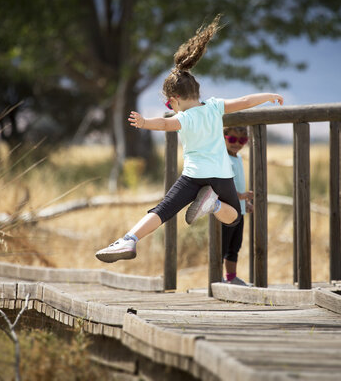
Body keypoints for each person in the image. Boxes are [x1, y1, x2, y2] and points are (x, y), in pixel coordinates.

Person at [95, 15, 283, 263]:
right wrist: (268, 95)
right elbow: (246, 101)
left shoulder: (185, 117)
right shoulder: (215, 106)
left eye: (168, 103)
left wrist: (144, 123)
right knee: (234, 217)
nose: (169, 106)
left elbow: (164, 123)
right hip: (220, 174)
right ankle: (213, 205)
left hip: (193, 176)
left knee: (163, 210)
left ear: (174, 99)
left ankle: (129, 240)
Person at [222, 126, 253, 285]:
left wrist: (244, 201)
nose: (237, 144)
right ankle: (216, 276)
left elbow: (238, 182)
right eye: (232, 139)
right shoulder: (222, 158)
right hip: (226, 210)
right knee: (223, 245)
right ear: (224, 137)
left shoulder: (238, 157)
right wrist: (240, 196)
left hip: (239, 210)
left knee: (235, 245)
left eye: (242, 140)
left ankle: (231, 277)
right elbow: (225, 184)